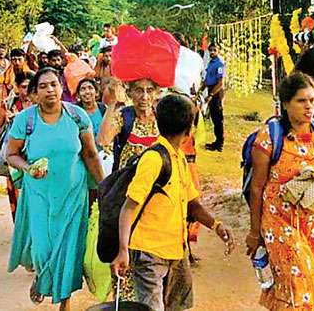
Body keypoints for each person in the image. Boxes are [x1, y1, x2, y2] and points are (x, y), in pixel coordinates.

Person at [111, 94, 234, 311]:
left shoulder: (178, 159)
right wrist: (123, 250)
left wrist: (216, 225)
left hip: (177, 249)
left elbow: (192, 204)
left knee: (177, 306)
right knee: (152, 307)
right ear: (189, 131)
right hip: (149, 253)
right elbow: (128, 207)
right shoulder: (154, 159)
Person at [246, 72, 314, 310]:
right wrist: (254, 232)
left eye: (312, 100)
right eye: (301, 101)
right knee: (297, 285)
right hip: (279, 223)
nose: (309, 106)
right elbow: (257, 187)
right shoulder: (269, 136)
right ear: (286, 104)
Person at [6, 68, 104, 311]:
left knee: (69, 249)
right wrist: (28, 168)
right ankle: (43, 275)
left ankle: (65, 302)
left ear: (62, 88)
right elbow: (11, 155)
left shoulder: (78, 117)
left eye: (54, 84)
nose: (50, 90)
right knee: (43, 249)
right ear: (34, 94)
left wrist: (104, 187)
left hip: (73, 195)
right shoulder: (25, 120)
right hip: (39, 195)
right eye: (43, 86)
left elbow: (90, 154)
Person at [97, 79, 160, 171]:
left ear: (156, 94)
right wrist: (112, 102)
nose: (145, 97)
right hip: (128, 181)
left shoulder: (162, 117)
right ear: (130, 93)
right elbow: (103, 140)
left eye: (149, 91)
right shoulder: (124, 116)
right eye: (139, 91)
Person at [0, 71, 34, 222]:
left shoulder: (41, 105)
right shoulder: (9, 103)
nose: (26, 91)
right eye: (23, 87)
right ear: (17, 87)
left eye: (29, 87)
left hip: (35, 155)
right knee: (16, 195)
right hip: (15, 155)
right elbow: (0, 125)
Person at [199, 42, 225, 152]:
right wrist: (199, 90)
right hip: (210, 90)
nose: (212, 52)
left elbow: (220, 83)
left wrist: (210, 95)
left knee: (218, 119)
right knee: (214, 118)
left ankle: (219, 143)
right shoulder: (210, 63)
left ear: (218, 51)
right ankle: (217, 141)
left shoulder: (219, 64)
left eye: (215, 50)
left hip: (216, 92)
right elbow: (207, 80)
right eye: (211, 50)